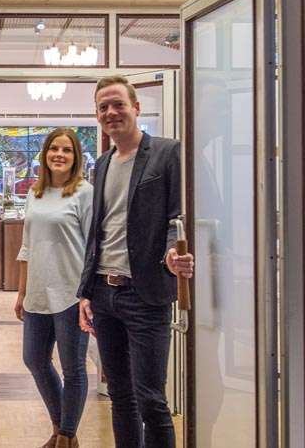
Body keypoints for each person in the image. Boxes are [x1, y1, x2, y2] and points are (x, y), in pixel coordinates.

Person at [77, 75, 194, 448]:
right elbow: (97, 233)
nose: (111, 112)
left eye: (118, 104)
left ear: (136, 108)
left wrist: (173, 251)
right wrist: (85, 293)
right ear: (97, 115)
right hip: (103, 292)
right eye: (103, 107)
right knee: (120, 396)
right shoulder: (102, 164)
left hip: (144, 294)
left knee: (151, 399)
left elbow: (179, 216)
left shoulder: (167, 153)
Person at [15, 127, 93, 448]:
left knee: (73, 368)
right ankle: (64, 431)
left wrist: (89, 294)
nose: (59, 154)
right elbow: (27, 246)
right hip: (37, 293)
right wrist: (21, 292)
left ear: (76, 157)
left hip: (71, 294)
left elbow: (93, 248)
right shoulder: (35, 193)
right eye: (54, 148)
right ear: (45, 153)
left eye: (67, 150)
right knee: (34, 359)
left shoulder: (84, 193)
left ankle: (64, 436)